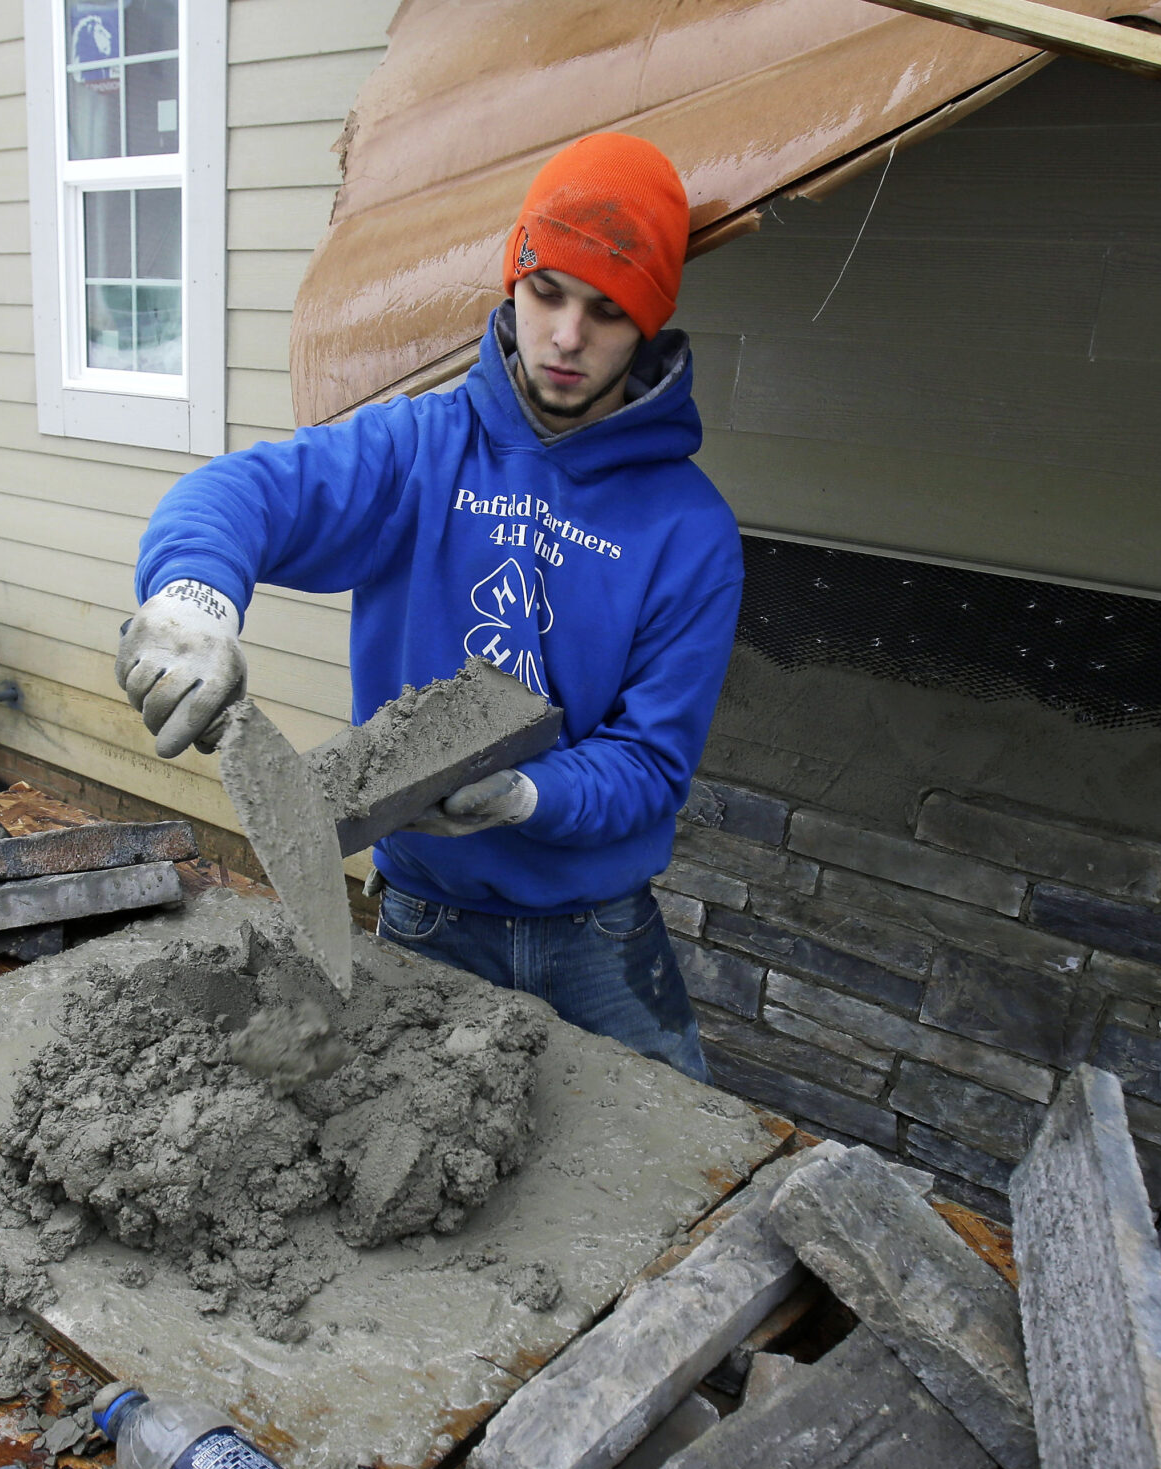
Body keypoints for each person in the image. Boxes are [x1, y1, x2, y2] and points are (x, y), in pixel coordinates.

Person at [117, 133, 742, 1081]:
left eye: (607, 312)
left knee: (678, 1173)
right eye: (547, 294)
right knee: (413, 1184)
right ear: (513, 283)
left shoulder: (689, 531)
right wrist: (193, 597)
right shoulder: (418, 450)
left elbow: (654, 763)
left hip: (600, 936)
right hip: (428, 917)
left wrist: (530, 795)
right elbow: (246, 494)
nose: (567, 338)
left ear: (647, 324)